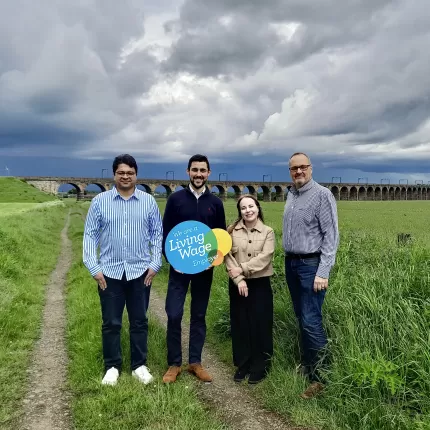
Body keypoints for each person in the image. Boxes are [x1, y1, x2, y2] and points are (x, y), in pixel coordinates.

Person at [83, 154, 163, 386]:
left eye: (130, 172)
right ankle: (112, 366)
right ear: (114, 175)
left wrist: (155, 263)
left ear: (136, 175)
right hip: (109, 272)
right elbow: (90, 235)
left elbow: (157, 234)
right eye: (121, 173)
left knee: (139, 320)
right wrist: (94, 267)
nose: (125, 176)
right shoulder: (100, 201)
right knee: (111, 322)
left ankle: (139, 365)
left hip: (140, 272)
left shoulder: (148, 201)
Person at [162, 154, 226, 383]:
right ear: (188, 172)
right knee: (173, 313)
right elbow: (166, 233)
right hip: (178, 269)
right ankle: (174, 364)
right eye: (195, 170)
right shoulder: (175, 199)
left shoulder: (216, 203)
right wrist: (172, 261)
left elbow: (220, 238)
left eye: (203, 170)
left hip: (203, 270)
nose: (199, 174)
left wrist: (213, 259)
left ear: (209, 173)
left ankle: (195, 362)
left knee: (198, 315)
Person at [283, 152, 339, 399]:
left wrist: (322, 272)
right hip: (292, 264)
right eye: (294, 168)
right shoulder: (291, 194)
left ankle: (321, 378)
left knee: (311, 319)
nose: (298, 172)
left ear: (311, 168)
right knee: (301, 317)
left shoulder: (322, 195)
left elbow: (331, 236)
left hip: (311, 266)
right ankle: (308, 366)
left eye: (303, 167)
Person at [225, 195, 275, 384]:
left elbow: (266, 256)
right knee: (240, 323)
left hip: (260, 283)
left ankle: (260, 366)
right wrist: (238, 279)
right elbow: (227, 256)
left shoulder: (268, 231)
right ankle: (243, 364)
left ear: (257, 207)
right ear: (240, 211)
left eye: (251, 206)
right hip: (238, 284)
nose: (248, 210)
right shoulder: (231, 231)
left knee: (260, 324)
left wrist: (243, 269)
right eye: (243, 208)